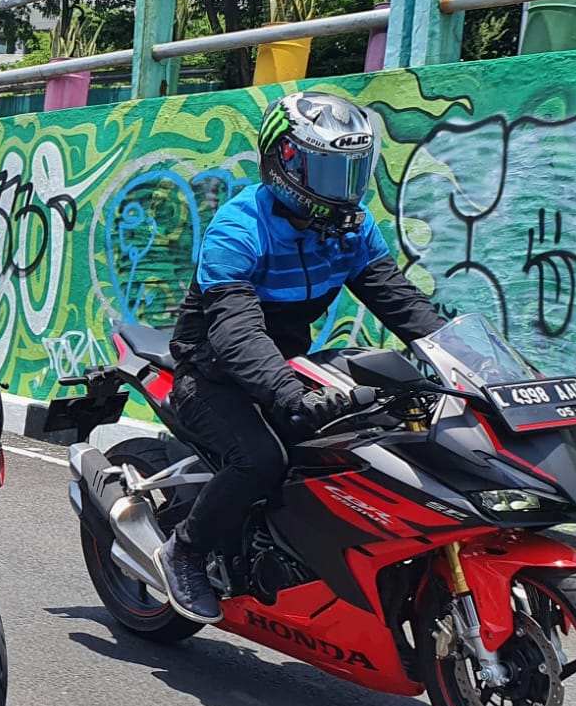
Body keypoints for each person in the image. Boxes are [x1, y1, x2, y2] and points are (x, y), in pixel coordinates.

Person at [160, 91, 447, 624]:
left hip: (287, 366)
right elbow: (237, 335)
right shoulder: (238, 228)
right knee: (260, 459)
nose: (344, 190)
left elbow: (402, 304)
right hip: (214, 373)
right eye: (328, 171)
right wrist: (291, 394)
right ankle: (186, 552)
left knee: (374, 435)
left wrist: (469, 361)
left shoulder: (352, 228)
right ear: (284, 160)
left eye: (351, 172)